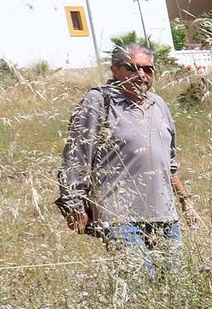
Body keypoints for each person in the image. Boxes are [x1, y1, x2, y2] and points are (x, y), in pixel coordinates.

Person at [56, 42, 195, 273]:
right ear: (115, 70)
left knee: (174, 284)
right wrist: (74, 205)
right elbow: (76, 157)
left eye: (148, 69)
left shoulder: (158, 104)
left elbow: (169, 161)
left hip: (165, 214)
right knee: (140, 285)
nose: (141, 75)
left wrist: (185, 200)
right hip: (120, 215)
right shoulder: (99, 101)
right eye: (133, 68)